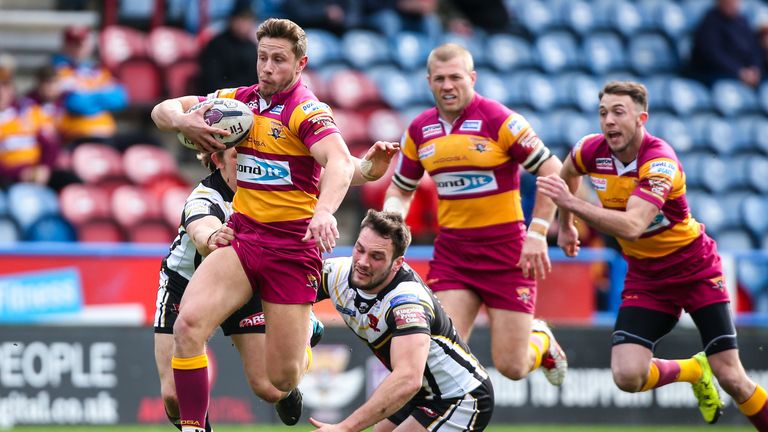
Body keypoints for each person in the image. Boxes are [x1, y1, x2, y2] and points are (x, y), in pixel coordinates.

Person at [151, 18, 381, 432]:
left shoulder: (307, 111)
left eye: (278, 59)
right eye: (262, 57)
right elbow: (162, 109)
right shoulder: (238, 103)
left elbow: (340, 163)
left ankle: (305, 331)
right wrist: (184, 121)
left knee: (280, 380)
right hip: (244, 239)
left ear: (300, 64)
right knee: (188, 325)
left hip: (292, 251)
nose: (267, 67)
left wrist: (325, 211)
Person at [537, 80, 768, 428]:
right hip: (647, 276)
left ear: (641, 118)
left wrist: (570, 204)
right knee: (627, 375)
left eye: (618, 112)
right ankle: (693, 370)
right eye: (603, 113)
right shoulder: (589, 150)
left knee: (731, 376)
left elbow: (631, 226)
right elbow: (566, 174)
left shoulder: (660, 162)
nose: (609, 121)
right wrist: (567, 224)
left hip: (695, 270)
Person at [154, 141, 399, 430]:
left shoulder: (270, 188)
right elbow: (200, 225)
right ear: (217, 160)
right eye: (237, 157)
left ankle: (305, 331)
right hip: (184, 284)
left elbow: (336, 169)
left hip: (244, 283)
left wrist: (370, 167)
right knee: (173, 398)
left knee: (271, 388)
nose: (247, 164)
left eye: (248, 156)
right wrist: (210, 237)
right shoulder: (205, 196)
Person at [382, 43, 567, 386]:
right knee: (438, 355)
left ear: (472, 78)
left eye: (455, 77)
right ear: (428, 82)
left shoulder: (500, 120)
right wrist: (391, 221)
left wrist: (538, 231)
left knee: (512, 366)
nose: (447, 86)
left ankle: (541, 339)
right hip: (454, 255)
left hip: (507, 255)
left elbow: (553, 171)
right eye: (439, 79)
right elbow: (401, 189)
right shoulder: (419, 130)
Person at [309, 209, 494, 432]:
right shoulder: (338, 272)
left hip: (460, 397)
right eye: (360, 249)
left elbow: (408, 378)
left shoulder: (407, 301)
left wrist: (344, 428)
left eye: (376, 256)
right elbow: (286, 295)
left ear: (397, 263)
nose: (363, 262)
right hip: (422, 394)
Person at [0, 53, 78, 191]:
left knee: (72, 181)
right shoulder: (30, 105)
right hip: (9, 178)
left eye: (5, 86)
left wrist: (44, 167)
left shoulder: (28, 112)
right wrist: (19, 173)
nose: (1, 92)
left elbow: (50, 145)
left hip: (37, 172)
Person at [51, 25, 128, 145]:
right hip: (77, 134)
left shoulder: (95, 69)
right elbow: (76, 103)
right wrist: (101, 95)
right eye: (74, 44)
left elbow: (120, 98)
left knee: (148, 142)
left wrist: (90, 96)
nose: (78, 48)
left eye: (81, 44)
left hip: (106, 132)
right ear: (65, 45)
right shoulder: (57, 70)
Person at [689, 0, 763, 87]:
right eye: (728, 2)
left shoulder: (742, 21)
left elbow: (754, 49)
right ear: (719, 2)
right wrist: (739, 72)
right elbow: (713, 55)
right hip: (717, 75)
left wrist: (755, 69)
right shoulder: (709, 22)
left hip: (744, 73)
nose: (732, 4)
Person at [197, 2, 259, 95]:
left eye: (247, 20)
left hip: (247, 99)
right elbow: (210, 80)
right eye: (240, 19)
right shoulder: (216, 44)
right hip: (217, 98)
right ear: (231, 20)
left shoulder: (252, 48)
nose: (243, 24)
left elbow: (255, 81)